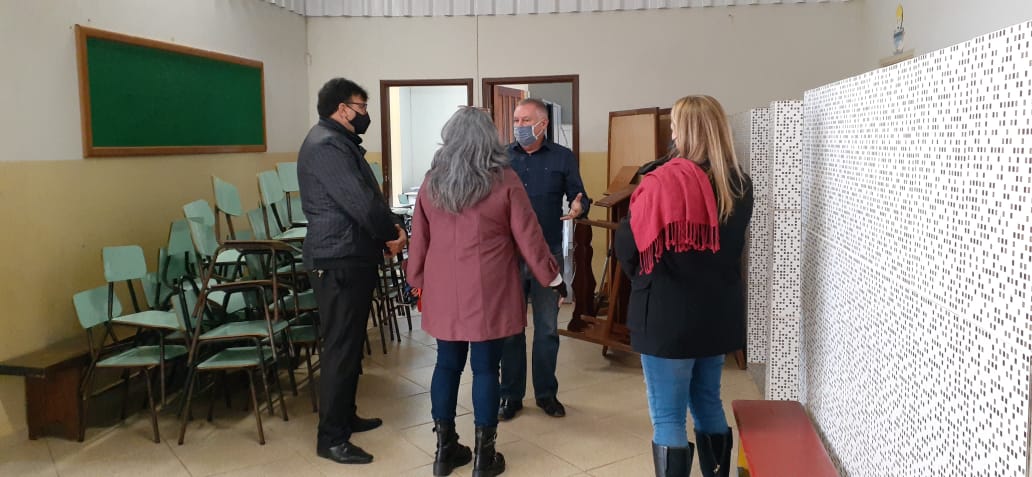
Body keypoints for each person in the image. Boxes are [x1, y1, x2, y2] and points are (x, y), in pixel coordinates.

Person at [407, 107, 564, 477]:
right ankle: (484, 456)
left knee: (445, 364)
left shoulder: (433, 181)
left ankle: (444, 451)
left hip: (444, 288)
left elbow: (420, 238)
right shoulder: (503, 179)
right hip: (489, 287)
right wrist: (552, 278)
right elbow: (529, 236)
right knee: (484, 369)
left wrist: (414, 278)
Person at [613, 95, 753, 477]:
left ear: (685, 132)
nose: (671, 132)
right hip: (716, 315)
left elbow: (626, 246)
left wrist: (642, 277)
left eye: (674, 125)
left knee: (668, 416)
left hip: (666, 317)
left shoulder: (661, 182)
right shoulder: (740, 184)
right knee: (708, 400)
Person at [297, 77, 408, 465]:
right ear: (343, 109)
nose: (365, 115)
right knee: (341, 349)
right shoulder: (327, 145)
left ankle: (345, 416)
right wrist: (392, 233)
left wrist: (394, 226)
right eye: (362, 108)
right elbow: (360, 204)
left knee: (348, 346)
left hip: (351, 255)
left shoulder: (339, 142)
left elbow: (369, 198)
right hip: (338, 259)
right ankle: (331, 437)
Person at [498, 98, 590, 421]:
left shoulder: (563, 157)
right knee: (510, 330)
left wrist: (579, 207)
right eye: (516, 120)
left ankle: (546, 394)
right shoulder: (503, 158)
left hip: (546, 254)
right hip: (507, 256)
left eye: (525, 120)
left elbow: (580, 196)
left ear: (543, 124)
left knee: (548, 328)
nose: (519, 126)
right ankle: (510, 395)